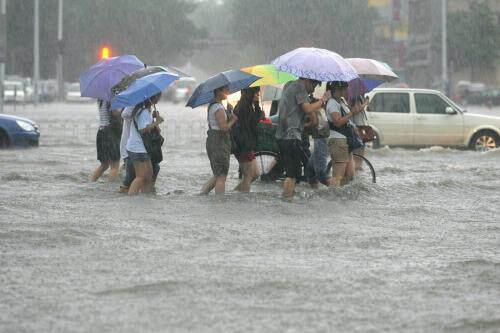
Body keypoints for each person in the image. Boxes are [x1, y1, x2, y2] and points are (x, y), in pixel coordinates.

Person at [275, 78, 331, 198]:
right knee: (292, 174)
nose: (313, 89)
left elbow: (292, 111)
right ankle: (286, 202)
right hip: (291, 136)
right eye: (314, 85)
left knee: (292, 172)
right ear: (308, 81)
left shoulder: (288, 84)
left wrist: (302, 125)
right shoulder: (300, 88)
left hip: (282, 134)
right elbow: (307, 108)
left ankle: (287, 199)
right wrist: (323, 100)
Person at [200, 85, 238, 195]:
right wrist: (234, 120)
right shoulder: (218, 107)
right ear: (218, 91)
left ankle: (202, 194)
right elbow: (224, 128)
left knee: (218, 174)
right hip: (219, 142)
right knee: (221, 175)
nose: (228, 92)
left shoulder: (216, 106)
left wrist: (229, 111)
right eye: (226, 90)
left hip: (214, 141)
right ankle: (220, 202)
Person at [325, 81, 363, 186]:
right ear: (333, 90)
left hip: (346, 140)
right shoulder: (332, 103)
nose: (343, 91)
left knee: (349, 174)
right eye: (340, 89)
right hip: (338, 140)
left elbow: (347, 119)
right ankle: (331, 196)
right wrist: (352, 113)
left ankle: (341, 199)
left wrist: (356, 110)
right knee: (338, 176)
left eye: (344, 88)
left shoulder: (341, 102)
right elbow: (337, 122)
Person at [125, 93, 163, 195]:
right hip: (138, 148)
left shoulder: (145, 111)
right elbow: (142, 130)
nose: (160, 98)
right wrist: (156, 122)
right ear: (153, 98)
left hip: (138, 147)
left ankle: (146, 199)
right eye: (159, 96)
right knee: (141, 177)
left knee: (148, 176)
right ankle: (131, 199)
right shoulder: (144, 112)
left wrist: (156, 119)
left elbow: (155, 131)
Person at [232, 87, 264, 192]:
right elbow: (250, 125)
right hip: (243, 145)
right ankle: (243, 200)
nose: (257, 95)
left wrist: (257, 107)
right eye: (256, 93)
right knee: (248, 175)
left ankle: (234, 193)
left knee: (256, 174)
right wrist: (259, 116)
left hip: (247, 144)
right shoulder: (243, 107)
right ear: (249, 94)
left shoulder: (249, 106)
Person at [90, 99, 122, 182]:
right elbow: (115, 113)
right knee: (115, 166)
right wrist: (123, 108)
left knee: (104, 165)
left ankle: (91, 182)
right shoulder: (111, 98)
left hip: (101, 132)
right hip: (110, 133)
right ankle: (110, 190)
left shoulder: (101, 98)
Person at [306, 97, 332, 188]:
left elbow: (314, 122)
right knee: (310, 170)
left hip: (321, 139)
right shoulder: (322, 109)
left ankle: (336, 193)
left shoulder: (312, 109)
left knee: (321, 174)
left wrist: (303, 127)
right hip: (325, 138)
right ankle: (314, 193)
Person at [349, 95, 370, 171]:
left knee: (362, 147)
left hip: (361, 125)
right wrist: (365, 103)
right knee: (357, 147)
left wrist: (366, 103)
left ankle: (359, 165)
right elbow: (356, 110)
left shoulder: (360, 96)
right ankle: (355, 166)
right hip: (356, 126)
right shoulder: (354, 96)